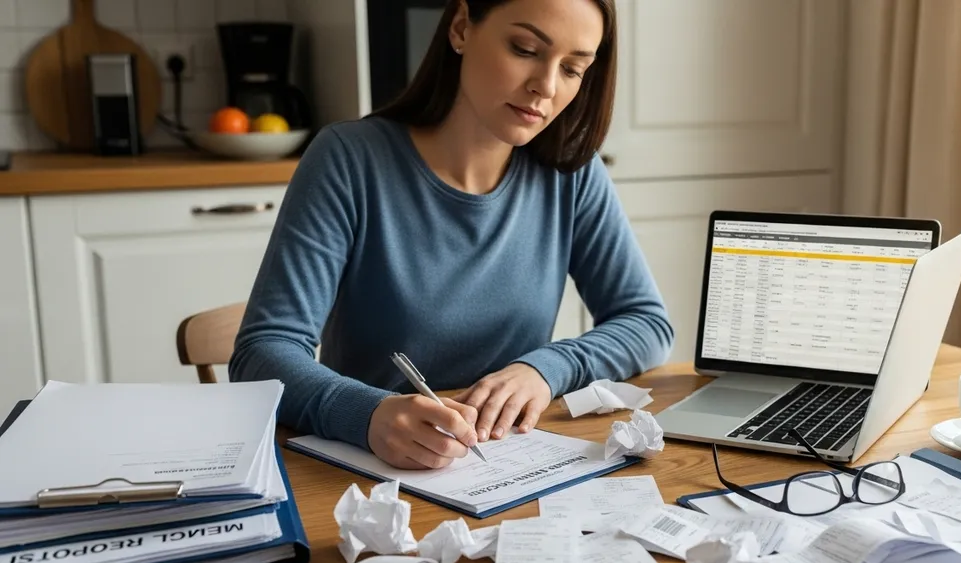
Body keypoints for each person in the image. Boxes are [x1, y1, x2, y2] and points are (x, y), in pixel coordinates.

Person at [229, 0, 674, 470]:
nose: (545, 86)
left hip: (506, 466)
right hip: (371, 472)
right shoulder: (349, 159)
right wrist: (367, 414)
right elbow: (262, 354)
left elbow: (646, 322)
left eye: (572, 68)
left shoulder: (571, 172)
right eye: (524, 49)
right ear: (461, 28)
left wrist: (543, 370)